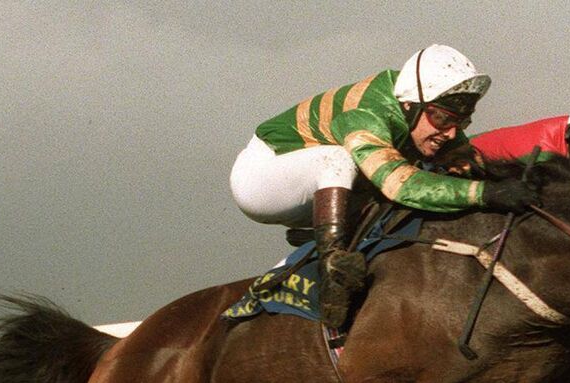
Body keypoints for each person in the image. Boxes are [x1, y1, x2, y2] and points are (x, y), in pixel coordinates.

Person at [230, 45, 539, 328]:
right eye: (443, 119)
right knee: (342, 160)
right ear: (410, 105)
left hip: (316, 185)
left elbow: (470, 160)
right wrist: (484, 195)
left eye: (461, 121)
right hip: (262, 178)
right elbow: (400, 184)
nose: (449, 132)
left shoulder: (423, 107)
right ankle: (333, 269)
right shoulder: (367, 113)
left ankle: (323, 242)